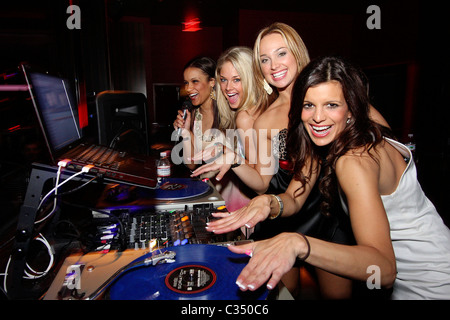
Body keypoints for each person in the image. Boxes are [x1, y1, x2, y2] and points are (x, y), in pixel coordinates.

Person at [207, 56, 450, 300]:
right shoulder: (330, 142)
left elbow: (383, 270)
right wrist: (269, 202)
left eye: (331, 105)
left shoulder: (354, 160)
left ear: (352, 107)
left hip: (429, 281)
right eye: (308, 105)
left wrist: (298, 244)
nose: (318, 117)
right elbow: (293, 196)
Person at [172, 56, 250, 212]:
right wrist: (186, 132)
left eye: (195, 82)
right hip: (208, 196)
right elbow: (192, 164)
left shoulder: (232, 112)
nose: (188, 89)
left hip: (236, 197)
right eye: (186, 83)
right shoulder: (195, 116)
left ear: (212, 82)